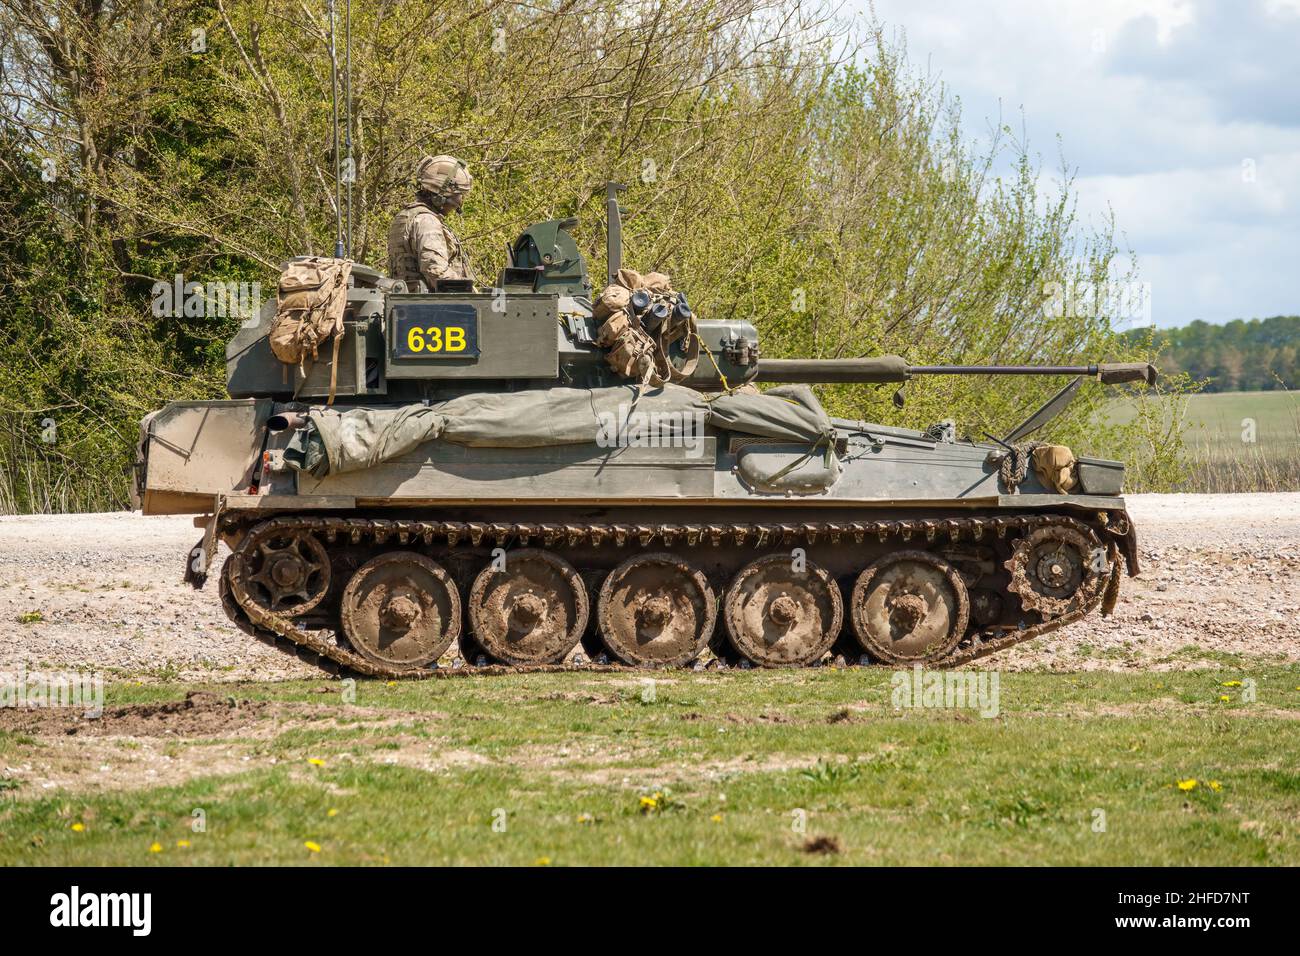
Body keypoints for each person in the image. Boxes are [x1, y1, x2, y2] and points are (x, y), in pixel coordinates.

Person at [386, 154, 474, 289]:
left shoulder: (406, 216)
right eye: (457, 195)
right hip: (430, 306)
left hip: (409, 302)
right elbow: (436, 272)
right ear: (441, 196)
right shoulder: (426, 221)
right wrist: (468, 291)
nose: (460, 201)